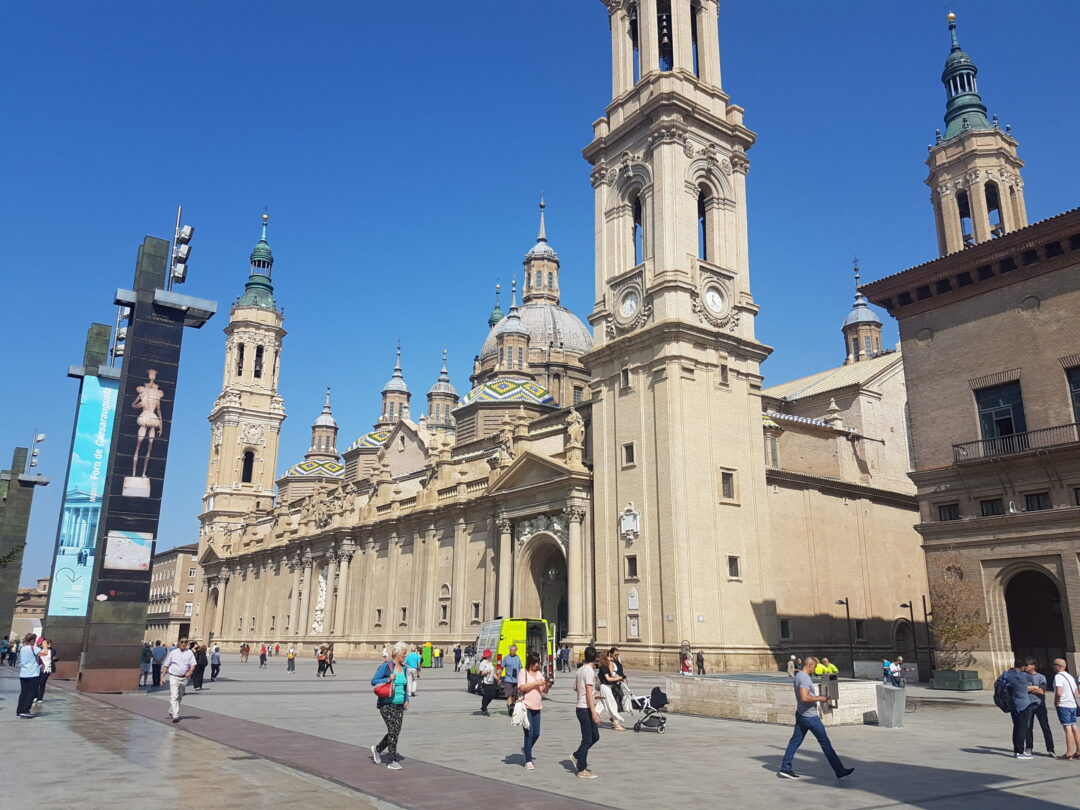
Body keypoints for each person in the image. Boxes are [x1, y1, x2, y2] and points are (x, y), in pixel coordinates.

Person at [778, 656, 855, 780]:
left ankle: (785, 768)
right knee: (825, 743)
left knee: (795, 742)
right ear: (809, 665)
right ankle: (840, 771)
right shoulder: (804, 678)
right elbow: (804, 697)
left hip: (801, 714)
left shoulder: (798, 676)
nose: (815, 670)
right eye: (814, 667)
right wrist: (821, 698)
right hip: (810, 717)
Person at [370, 640, 410, 771]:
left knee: (395, 731)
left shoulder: (404, 668)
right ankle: (392, 760)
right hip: (387, 703)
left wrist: (406, 699)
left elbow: (405, 685)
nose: (405, 655)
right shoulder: (387, 666)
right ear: (397, 653)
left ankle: (378, 749)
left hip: (399, 704)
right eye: (404, 653)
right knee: (393, 730)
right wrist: (387, 679)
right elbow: (374, 681)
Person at [1003, 657, 1043, 759]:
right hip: (1023, 704)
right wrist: (1033, 687)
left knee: (1016, 727)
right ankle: (1020, 751)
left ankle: (1016, 750)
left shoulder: (1007, 674)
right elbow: (1031, 680)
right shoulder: (1023, 675)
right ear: (1023, 667)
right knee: (1022, 728)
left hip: (1012, 704)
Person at [571, 645, 601, 779]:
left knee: (595, 736)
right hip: (585, 708)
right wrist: (593, 711)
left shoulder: (580, 670)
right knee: (588, 739)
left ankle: (577, 755)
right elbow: (588, 692)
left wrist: (593, 694)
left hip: (581, 706)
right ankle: (581, 769)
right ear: (595, 658)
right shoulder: (588, 671)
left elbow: (575, 687)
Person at [519, 651, 550, 770]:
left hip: (537, 707)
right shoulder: (523, 672)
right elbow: (522, 687)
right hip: (526, 706)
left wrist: (546, 684)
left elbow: (544, 691)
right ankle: (528, 760)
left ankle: (526, 749)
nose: (537, 665)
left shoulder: (539, 674)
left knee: (536, 734)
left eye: (538, 663)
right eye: (535, 663)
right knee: (529, 733)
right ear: (530, 662)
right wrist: (536, 683)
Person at [1025, 659, 1056, 757]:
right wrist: (1035, 687)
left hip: (1040, 705)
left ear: (1033, 665)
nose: (1026, 667)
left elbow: (1042, 691)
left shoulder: (1041, 677)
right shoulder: (1023, 676)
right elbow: (1022, 689)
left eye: (1028, 665)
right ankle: (1029, 747)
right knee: (1028, 727)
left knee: (1045, 727)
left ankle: (1050, 749)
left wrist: (1030, 689)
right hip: (1028, 704)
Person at [162, 638, 196, 723]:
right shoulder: (173, 653)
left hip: (184, 677)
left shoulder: (190, 653)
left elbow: (193, 664)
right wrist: (162, 677)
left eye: (185, 642)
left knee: (180, 696)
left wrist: (190, 672)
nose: (183, 644)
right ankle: (176, 715)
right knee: (174, 696)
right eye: (182, 642)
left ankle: (171, 710)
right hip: (173, 676)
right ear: (178, 643)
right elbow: (166, 665)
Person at [1052, 658, 1080, 759]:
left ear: (1058, 666)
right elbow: (1077, 693)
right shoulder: (1070, 676)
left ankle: (1069, 752)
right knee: (1074, 727)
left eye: (1053, 664)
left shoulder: (1058, 677)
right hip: (1072, 704)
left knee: (1067, 728)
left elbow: (1059, 692)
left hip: (1063, 704)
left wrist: (1056, 702)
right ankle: (1078, 750)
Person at [597, 649, 627, 731]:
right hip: (605, 687)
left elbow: (612, 676)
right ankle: (617, 724)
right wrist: (618, 678)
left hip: (607, 687)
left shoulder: (606, 666)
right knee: (612, 705)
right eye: (609, 656)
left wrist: (620, 677)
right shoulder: (603, 667)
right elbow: (608, 678)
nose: (610, 657)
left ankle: (593, 719)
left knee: (601, 705)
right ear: (605, 657)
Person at [15, 633, 41, 718]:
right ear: (32, 640)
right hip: (33, 673)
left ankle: (19, 710)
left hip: (23, 673)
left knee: (24, 692)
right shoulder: (33, 648)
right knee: (32, 692)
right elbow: (44, 653)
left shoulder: (23, 648)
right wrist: (44, 645)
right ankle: (25, 710)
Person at [502, 644, 523, 715]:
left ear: (516, 651)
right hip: (508, 679)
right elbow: (501, 668)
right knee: (509, 694)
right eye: (511, 650)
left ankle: (511, 705)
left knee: (515, 695)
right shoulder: (506, 658)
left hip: (516, 680)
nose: (512, 651)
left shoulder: (518, 658)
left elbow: (521, 668)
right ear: (509, 650)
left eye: (514, 650)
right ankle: (511, 708)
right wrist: (498, 677)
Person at [478, 648, 499, 716]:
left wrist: (497, 679)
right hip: (485, 681)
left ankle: (483, 706)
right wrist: (486, 672)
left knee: (492, 695)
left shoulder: (490, 662)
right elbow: (480, 673)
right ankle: (484, 710)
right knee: (486, 696)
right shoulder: (483, 663)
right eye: (490, 655)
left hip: (491, 681)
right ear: (487, 656)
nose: (491, 656)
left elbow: (493, 672)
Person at [36, 637, 55, 705]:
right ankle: (36, 696)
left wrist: (55, 658)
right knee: (36, 683)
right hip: (39, 668)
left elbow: (54, 658)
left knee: (42, 682)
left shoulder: (53, 651)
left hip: (47, 669)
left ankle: (40, 698)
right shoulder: (40, 650)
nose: (50, 644)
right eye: (48, 643)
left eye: (50, 643)